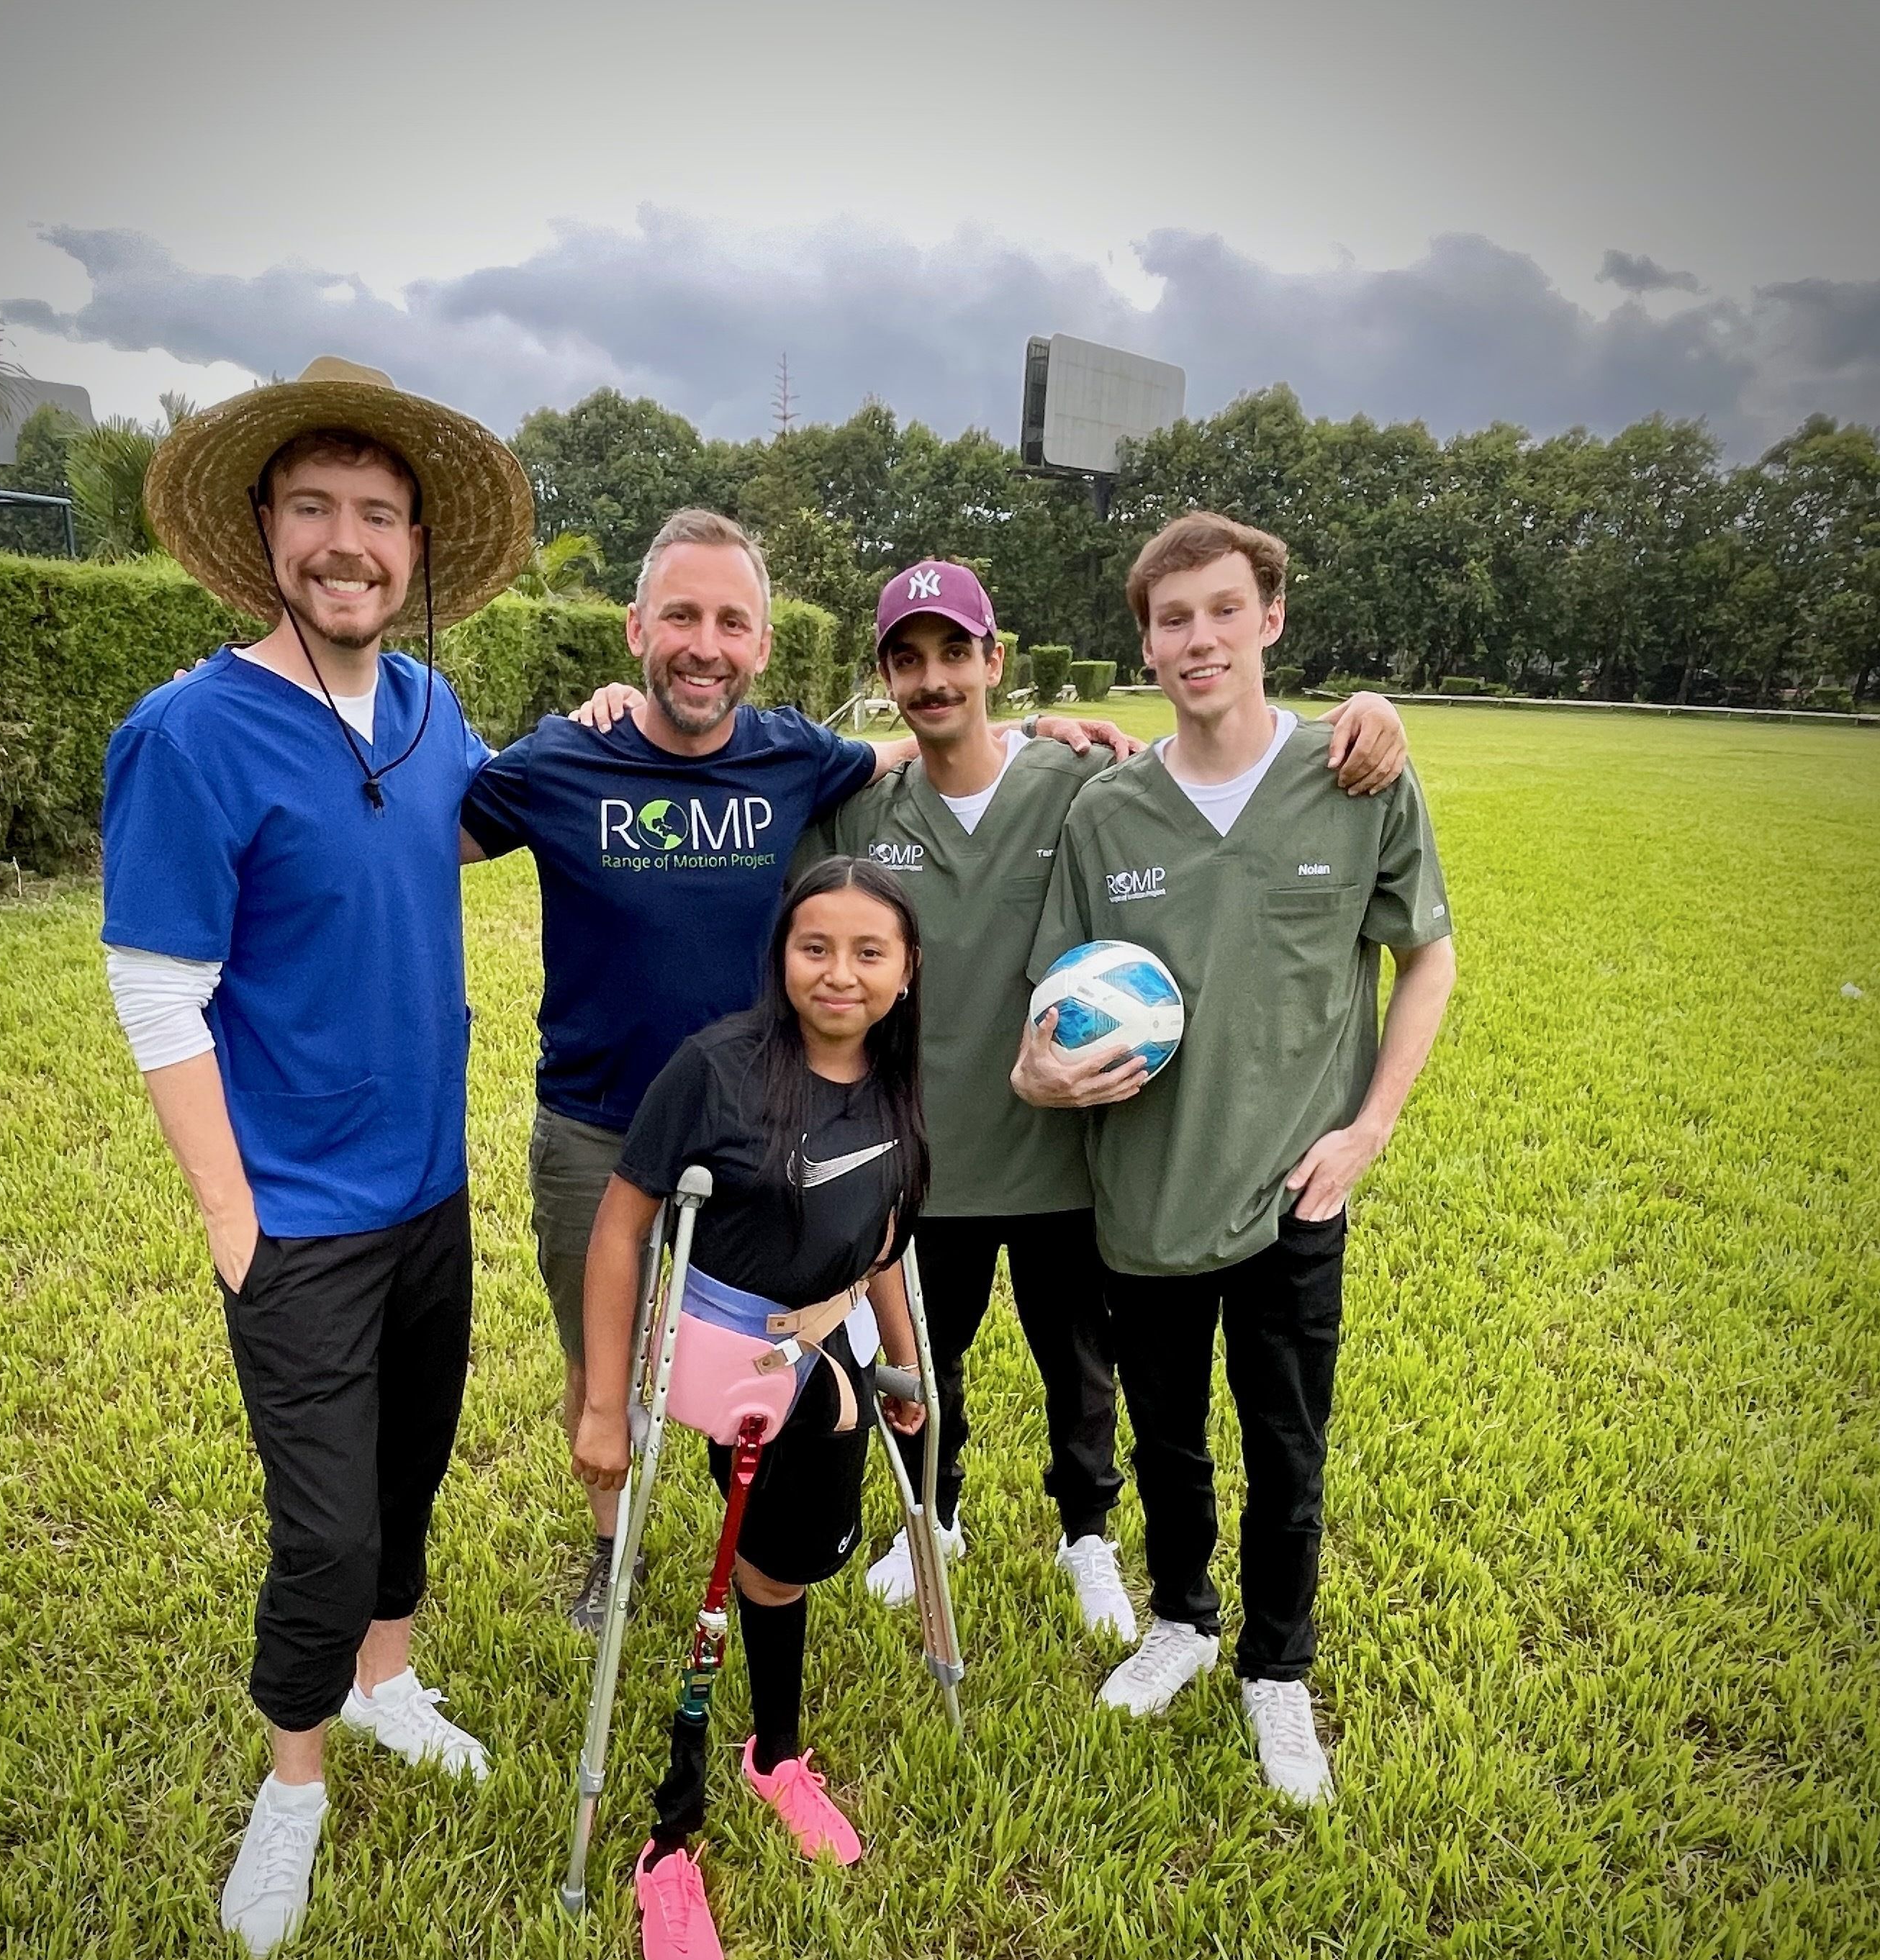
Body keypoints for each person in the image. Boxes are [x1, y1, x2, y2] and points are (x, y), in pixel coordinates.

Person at [461, 507, 1132, 1635]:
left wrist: (1042, 731)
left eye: (733, 621)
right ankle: (606, 1547)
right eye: (681, 615)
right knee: (605, 1368)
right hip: (596, 1128)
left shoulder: (791, 756)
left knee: (770, 1354)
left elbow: (928, 740)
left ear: (764, 647)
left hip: (773, 1125)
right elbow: (415, 834)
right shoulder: (562, 759)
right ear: (635, 628)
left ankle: (766, 1538)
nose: (705, 643)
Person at [101, 356, 533, 1955]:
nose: (347, 543)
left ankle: (388, 1685)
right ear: (265, 537)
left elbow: (473, 821)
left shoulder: (428, 709)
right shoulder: (189, 735)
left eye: (376, 515)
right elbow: (158, 988)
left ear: (414, 547)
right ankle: (293, 1786)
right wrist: (235, 1221)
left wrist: (618, 731)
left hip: (431, 1189)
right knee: (325, 1528)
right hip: (295, 1221)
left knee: (410, 1472)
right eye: (314, 510)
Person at [800, 560, 1410, 1643]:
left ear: (995, 660)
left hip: (1065, 1150)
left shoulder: (1076, 781)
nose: (935, 679)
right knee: (925, 1357)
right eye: (909, 659)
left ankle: (1087, 1532)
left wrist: (1359, 712)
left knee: (1081, 1365)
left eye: (956, 653)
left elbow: (1203, 768)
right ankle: (930, 1517)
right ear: (888, 678)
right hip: (924, 1152)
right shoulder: (860, 809)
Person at [1018, 510, 1455, 1804]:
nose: (1197, 638)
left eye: (1222, 611)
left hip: (1294, 1193)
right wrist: (1039, 1069)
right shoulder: (1110, 814)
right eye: (1171, 619)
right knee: (1166, 1440)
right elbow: (1053, 1000)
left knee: (1285, 1448)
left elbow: (1425, 952)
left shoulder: (1356, 774)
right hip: (1145, 1191)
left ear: (1270, 620)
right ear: (1145, 645)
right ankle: (1183, 1621)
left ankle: (1277, 1670)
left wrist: (1369, 1129)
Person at [570, 857, 931, 1960]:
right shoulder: (714, 1070)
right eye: (815, 946)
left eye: (870, 952)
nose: (840, 972)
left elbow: (881, 1241)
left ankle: (774, 1755)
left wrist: (907, 1359)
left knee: (786, 1570)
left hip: (828, 1361)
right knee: (736, 1570)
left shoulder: (899, 1082)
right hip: (724, 1359)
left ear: (907, 971)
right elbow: (622, 1230)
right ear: (782, 955)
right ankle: (669, 1832)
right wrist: (601, 1402)